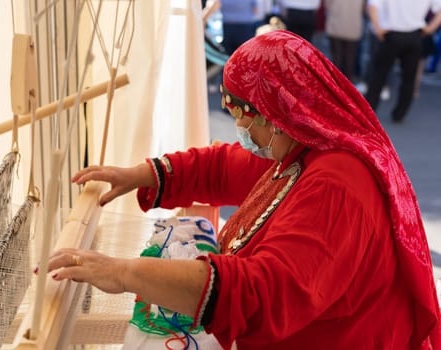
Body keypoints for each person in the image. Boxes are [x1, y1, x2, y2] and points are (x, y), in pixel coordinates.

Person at [46, 31, 441, 349]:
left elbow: (265, 292)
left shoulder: (338, 186)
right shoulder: (305, 144)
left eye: (241, 118)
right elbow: (223, 165)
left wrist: (123, 273)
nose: (241, 132)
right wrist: (140, 174)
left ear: (276, 112)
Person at [364, 0, 441, 123]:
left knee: (378, 75)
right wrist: (431, 28)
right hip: (414, 35)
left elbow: (373, 6)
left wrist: (377, 27)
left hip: (391, 34)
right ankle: (400, 113)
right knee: (409, 78)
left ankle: (368, 112)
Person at [324, 0, 365, 81]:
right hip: (353, 27)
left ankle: (335, 86)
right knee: (349, 61)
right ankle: (347, 88)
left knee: (336, 60)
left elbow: (327, 5)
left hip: (335, 26)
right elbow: (364, 9)